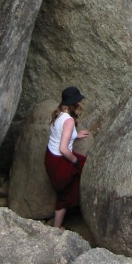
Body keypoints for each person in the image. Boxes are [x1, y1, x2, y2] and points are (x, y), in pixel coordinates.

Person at [44, 86, 89, 229]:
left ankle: (74, 206)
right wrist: (74, 161)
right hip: (60, 161)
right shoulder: (69, 121)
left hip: (50, 156)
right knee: (63, 195)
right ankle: (57, 227)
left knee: (85, 165)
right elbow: (63, 149)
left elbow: (60, 135)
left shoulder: (59, 114)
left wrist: (76, 135)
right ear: (74, 104)